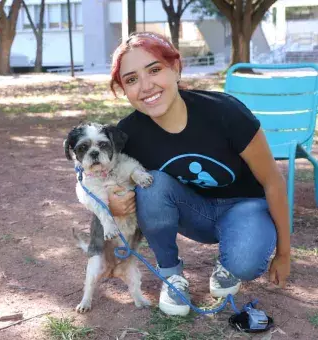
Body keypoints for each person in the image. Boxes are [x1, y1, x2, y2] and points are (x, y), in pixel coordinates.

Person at [107, 32, 291, 317]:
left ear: (176, 68)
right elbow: (104, 181)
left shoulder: (225, 112)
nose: (145, 86)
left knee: (245, 263)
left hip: (244, 207)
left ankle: (230, 264)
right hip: (193, 212)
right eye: (131, 79)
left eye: (154, 70)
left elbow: (272, 181)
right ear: (124, 89)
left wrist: (283, 253)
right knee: (150, 185)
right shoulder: (129, 133)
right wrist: (112, 202)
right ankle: (171, 275)